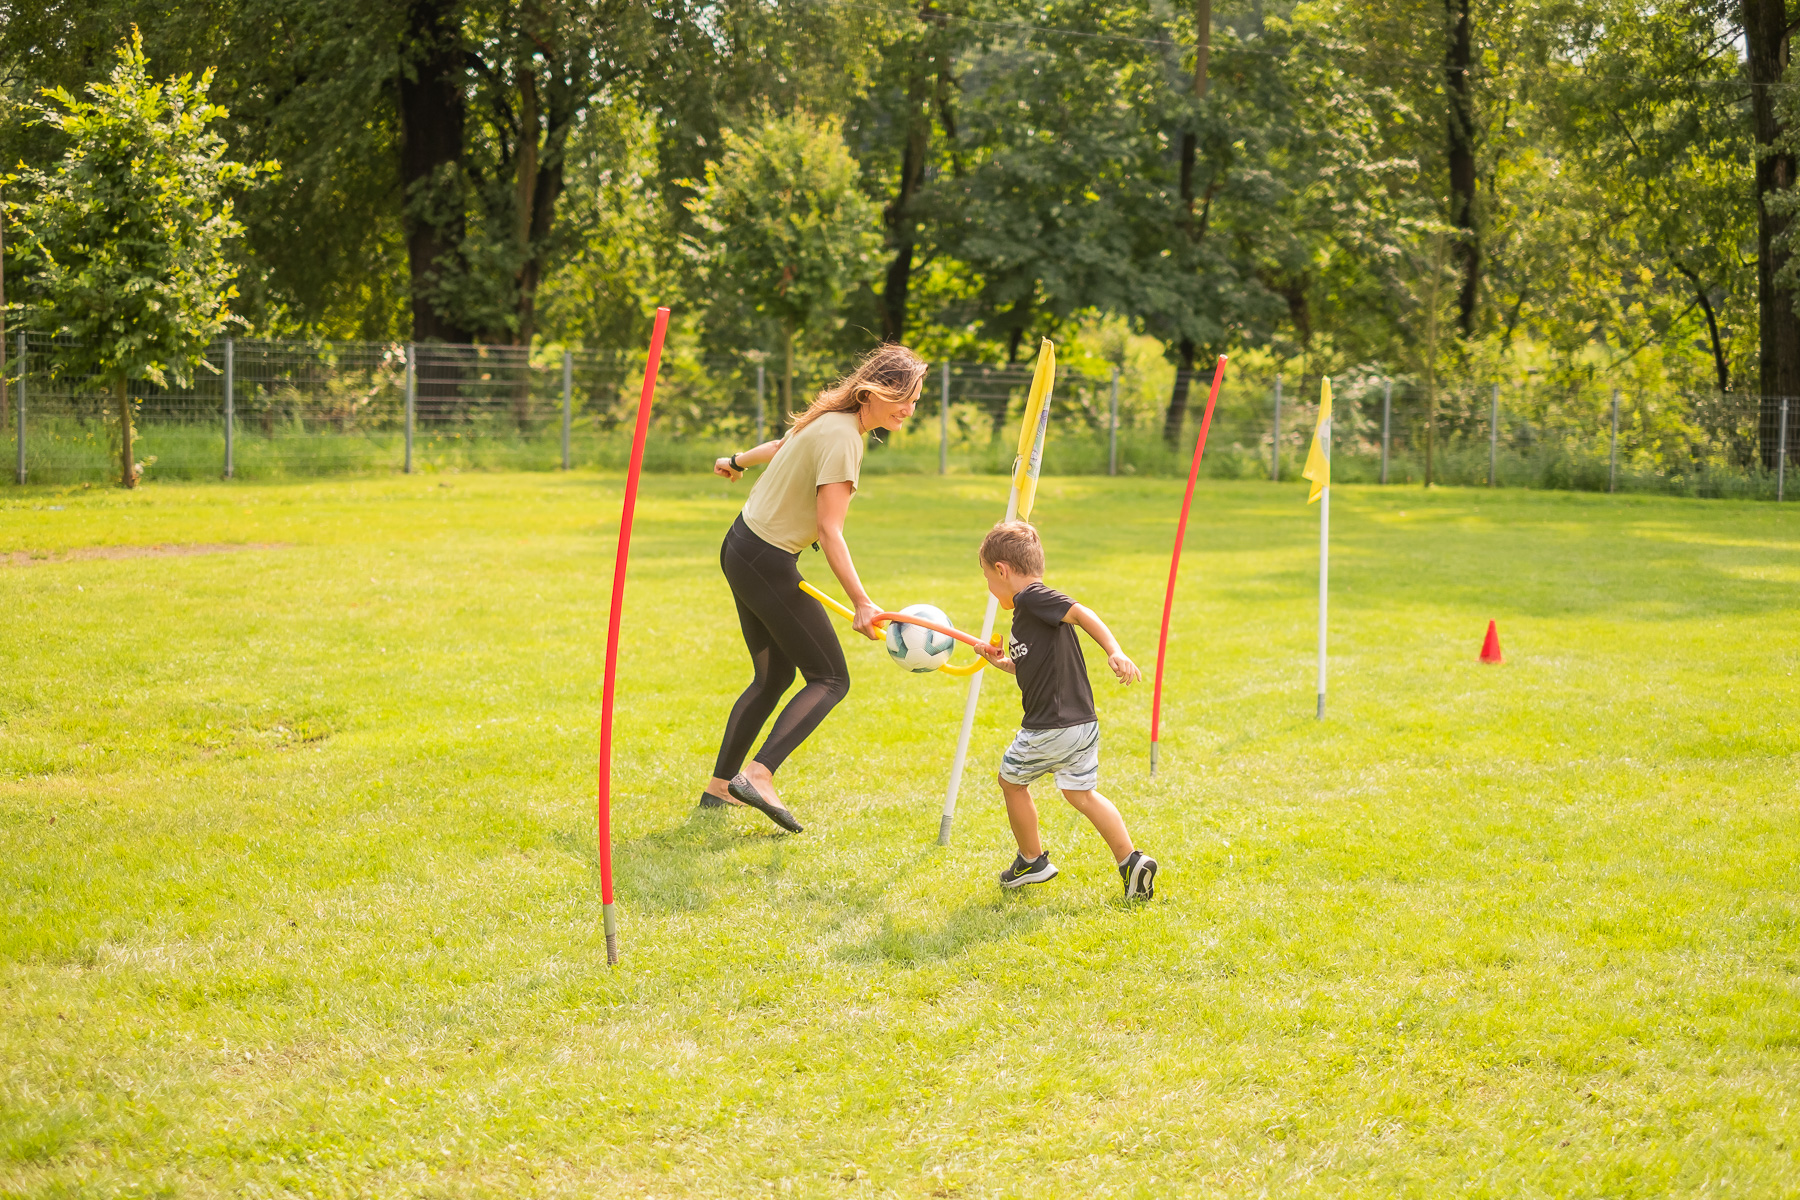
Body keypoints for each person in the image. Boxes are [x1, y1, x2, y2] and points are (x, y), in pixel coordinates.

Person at [699, 345, 927, 832]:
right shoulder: (846, 438)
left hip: (741, 546)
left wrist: (737, 459)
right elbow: (830, 530)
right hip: (767, 560)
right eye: (902, 399)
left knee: (773, 678)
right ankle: (758, 775)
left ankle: (719, 790)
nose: (909, 409)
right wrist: (863, 603)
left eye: (915, 399)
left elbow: (781, 449)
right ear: (873, 392)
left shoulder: (830, 417)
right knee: (830, 678)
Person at [971, 521, 1158, 899]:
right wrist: (1002, 661)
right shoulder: (1029, 611)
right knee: (1081, 794)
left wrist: (1114, 650)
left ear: (1002, 570)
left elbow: (1080, 612)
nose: (990, 588)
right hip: (1081, 724)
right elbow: (1030, 665)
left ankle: (1032, 860)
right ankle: (1130, 862)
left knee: (1011, 781)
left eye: (988, 578)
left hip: (1050, 727)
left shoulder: (1031, 598)